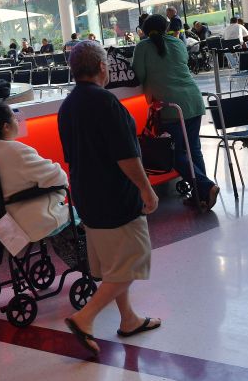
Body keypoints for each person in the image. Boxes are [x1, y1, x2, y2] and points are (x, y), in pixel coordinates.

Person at [58, 41, 161, 356]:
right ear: (103, 67)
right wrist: (146, 188)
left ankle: (128, 319)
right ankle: (84, 318)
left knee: (116, 265)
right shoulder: (107, 103)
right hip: (115, 196)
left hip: (86, 196)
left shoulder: (67, 107)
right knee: (133, 262)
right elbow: (126, 156)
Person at [0, 103, 80, 268]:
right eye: (15, 118)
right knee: (82, 211)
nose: (18, 121)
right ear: (6, 126)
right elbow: (58, 178)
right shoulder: (17, 152)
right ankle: (90, 262)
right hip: (27, 219)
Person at [132, 15, 219, 209]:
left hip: (171, 107)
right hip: (193, 101)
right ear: (166, 27)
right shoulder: (178, 42)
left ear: (144, 30)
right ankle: (201, 196)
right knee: (193, 149)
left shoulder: (143, 47)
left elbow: (137, 75)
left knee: (175, 154)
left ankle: (206, 187)